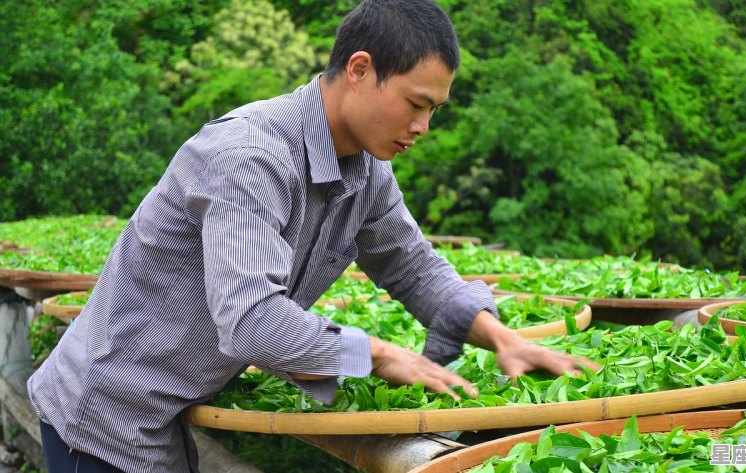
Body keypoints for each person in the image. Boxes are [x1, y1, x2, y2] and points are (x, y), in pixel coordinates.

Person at [28, 1, 598, 471]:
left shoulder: (367, 171)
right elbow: (251, 318)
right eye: (415, 104)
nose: (423, 127)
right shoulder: (250, 156)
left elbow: (410, 265)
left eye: (435, 111)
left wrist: (498, 336)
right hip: (107, 413)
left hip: (168, 404)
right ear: (358, 69)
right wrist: (374, 354)